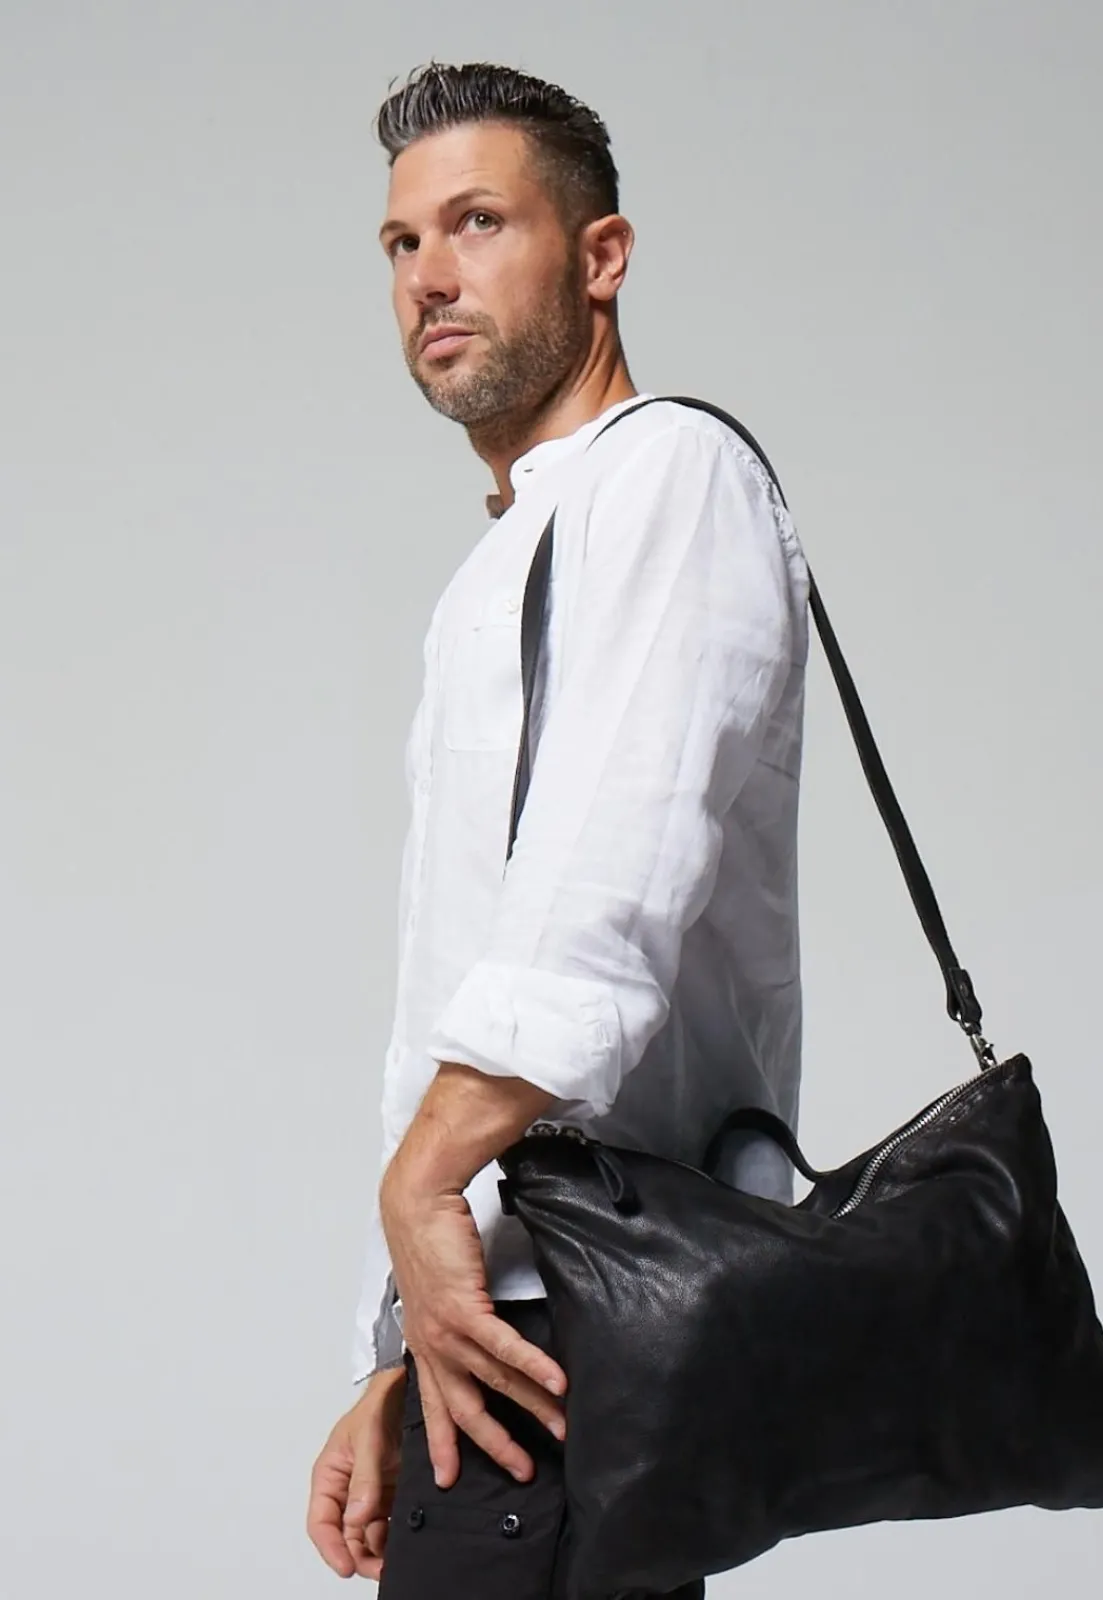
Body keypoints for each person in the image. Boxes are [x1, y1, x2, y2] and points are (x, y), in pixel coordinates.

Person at [304, 61, 810, 1597]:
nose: (429, 276)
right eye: (401, 243)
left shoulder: (667, 474)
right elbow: (470, 968)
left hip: (590, 1325)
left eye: (477, 222)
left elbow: (601, 904)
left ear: (602, 257)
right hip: (514, 1326)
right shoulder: (516, 552)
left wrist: (418, 1196)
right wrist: (402, 1348)